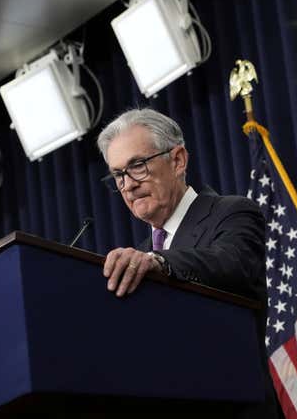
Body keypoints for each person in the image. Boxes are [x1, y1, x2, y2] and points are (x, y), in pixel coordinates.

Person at [96, 108, 280, 419]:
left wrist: (158, 262)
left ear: (178, 160)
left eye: (137, 166)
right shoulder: (141, 257)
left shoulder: (231, 213)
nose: (127, 185)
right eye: (118, 175)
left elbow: (231, 263)